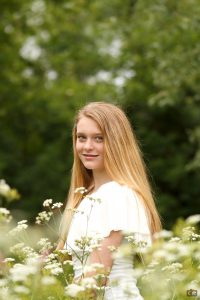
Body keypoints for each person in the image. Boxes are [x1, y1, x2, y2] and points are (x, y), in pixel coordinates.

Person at [57, 102, 162, 299]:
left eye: (99, 138)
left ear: (117, 142)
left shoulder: (117, 194)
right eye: (82, 138)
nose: (87, 146)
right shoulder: (87, 196)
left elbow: (95, 281)